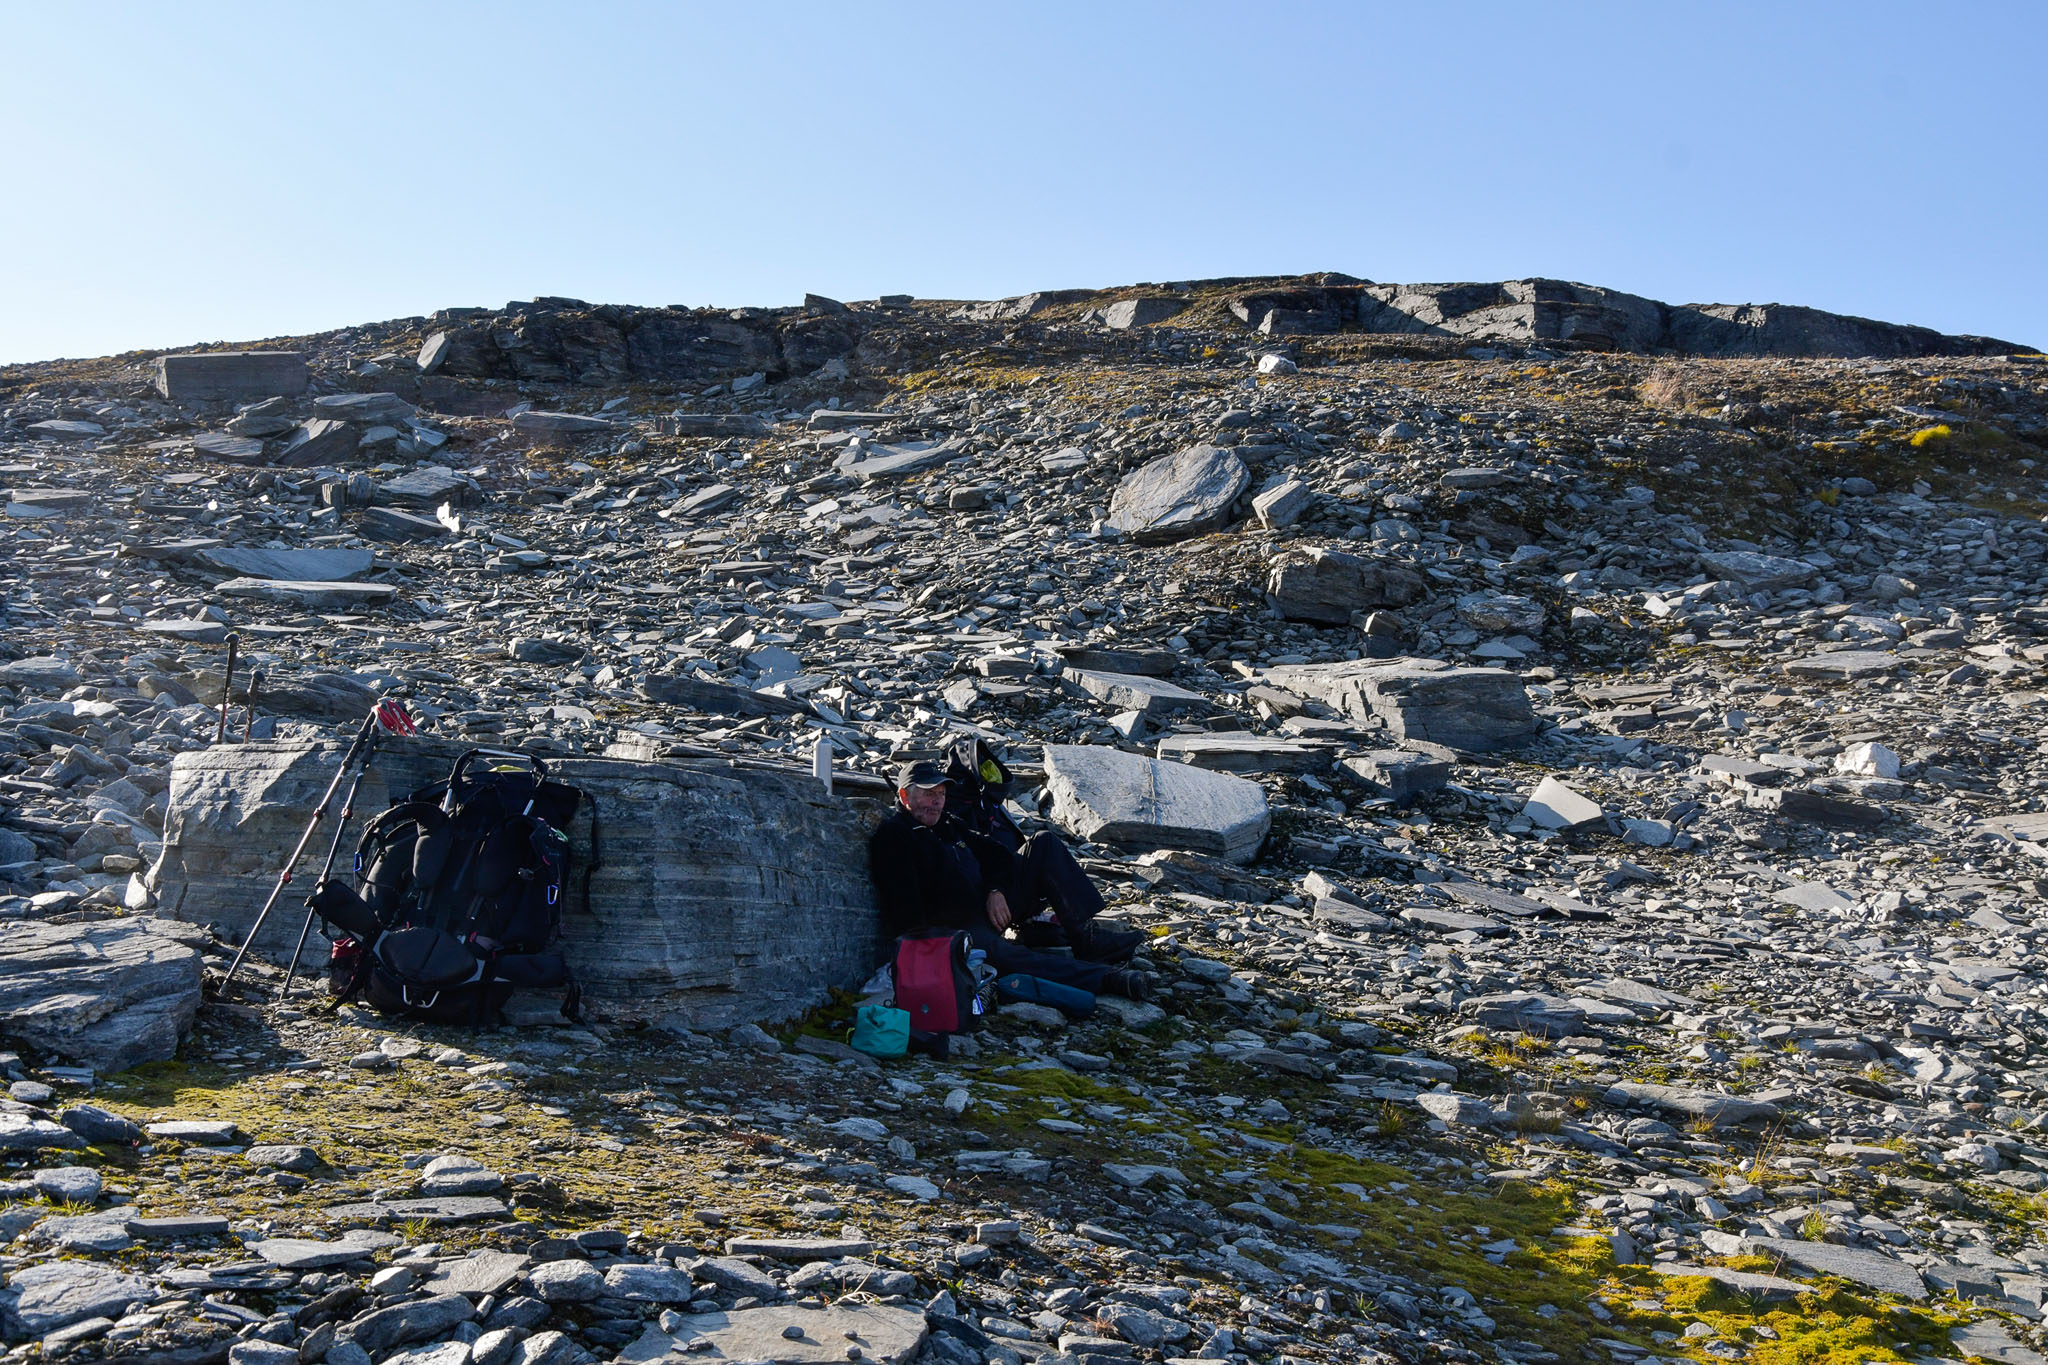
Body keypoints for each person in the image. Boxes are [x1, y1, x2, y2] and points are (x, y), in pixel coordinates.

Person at [869, 759, 1153, 1000]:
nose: (937, 800)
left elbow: (1000, 856)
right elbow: (906, 912)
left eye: (941, 793)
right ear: (905, 797)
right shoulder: (896, 836)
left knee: (1043, 843)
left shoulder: (949, 824)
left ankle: (1085, 939)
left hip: (992, 907)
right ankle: (1108, 979)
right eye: (929, 793)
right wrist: (949, 944)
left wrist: (996, 890)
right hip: (956, 930)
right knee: (1009, 958)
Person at [940, 738, 1143, 965]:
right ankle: (1087, 940)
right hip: (984, 909)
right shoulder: (953, 812)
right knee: (1044, 843)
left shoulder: (977, 804)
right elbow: (967, 866)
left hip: (999, 898)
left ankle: (1068, 930)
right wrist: (994, 889)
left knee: (1042, 844)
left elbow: (998, 854)